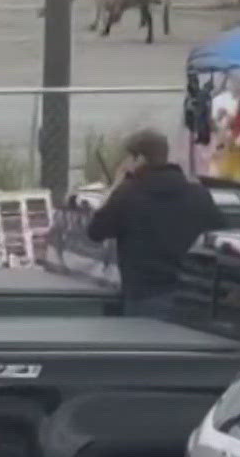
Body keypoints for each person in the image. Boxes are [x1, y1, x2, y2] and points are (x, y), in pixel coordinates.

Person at [87, 129, 222, 319]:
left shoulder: (128, 194)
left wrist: (117, 185)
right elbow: (219, 235)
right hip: (193, 297)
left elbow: (95, 231)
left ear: (139, 159)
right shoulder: (199, 194)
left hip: (144, 295)